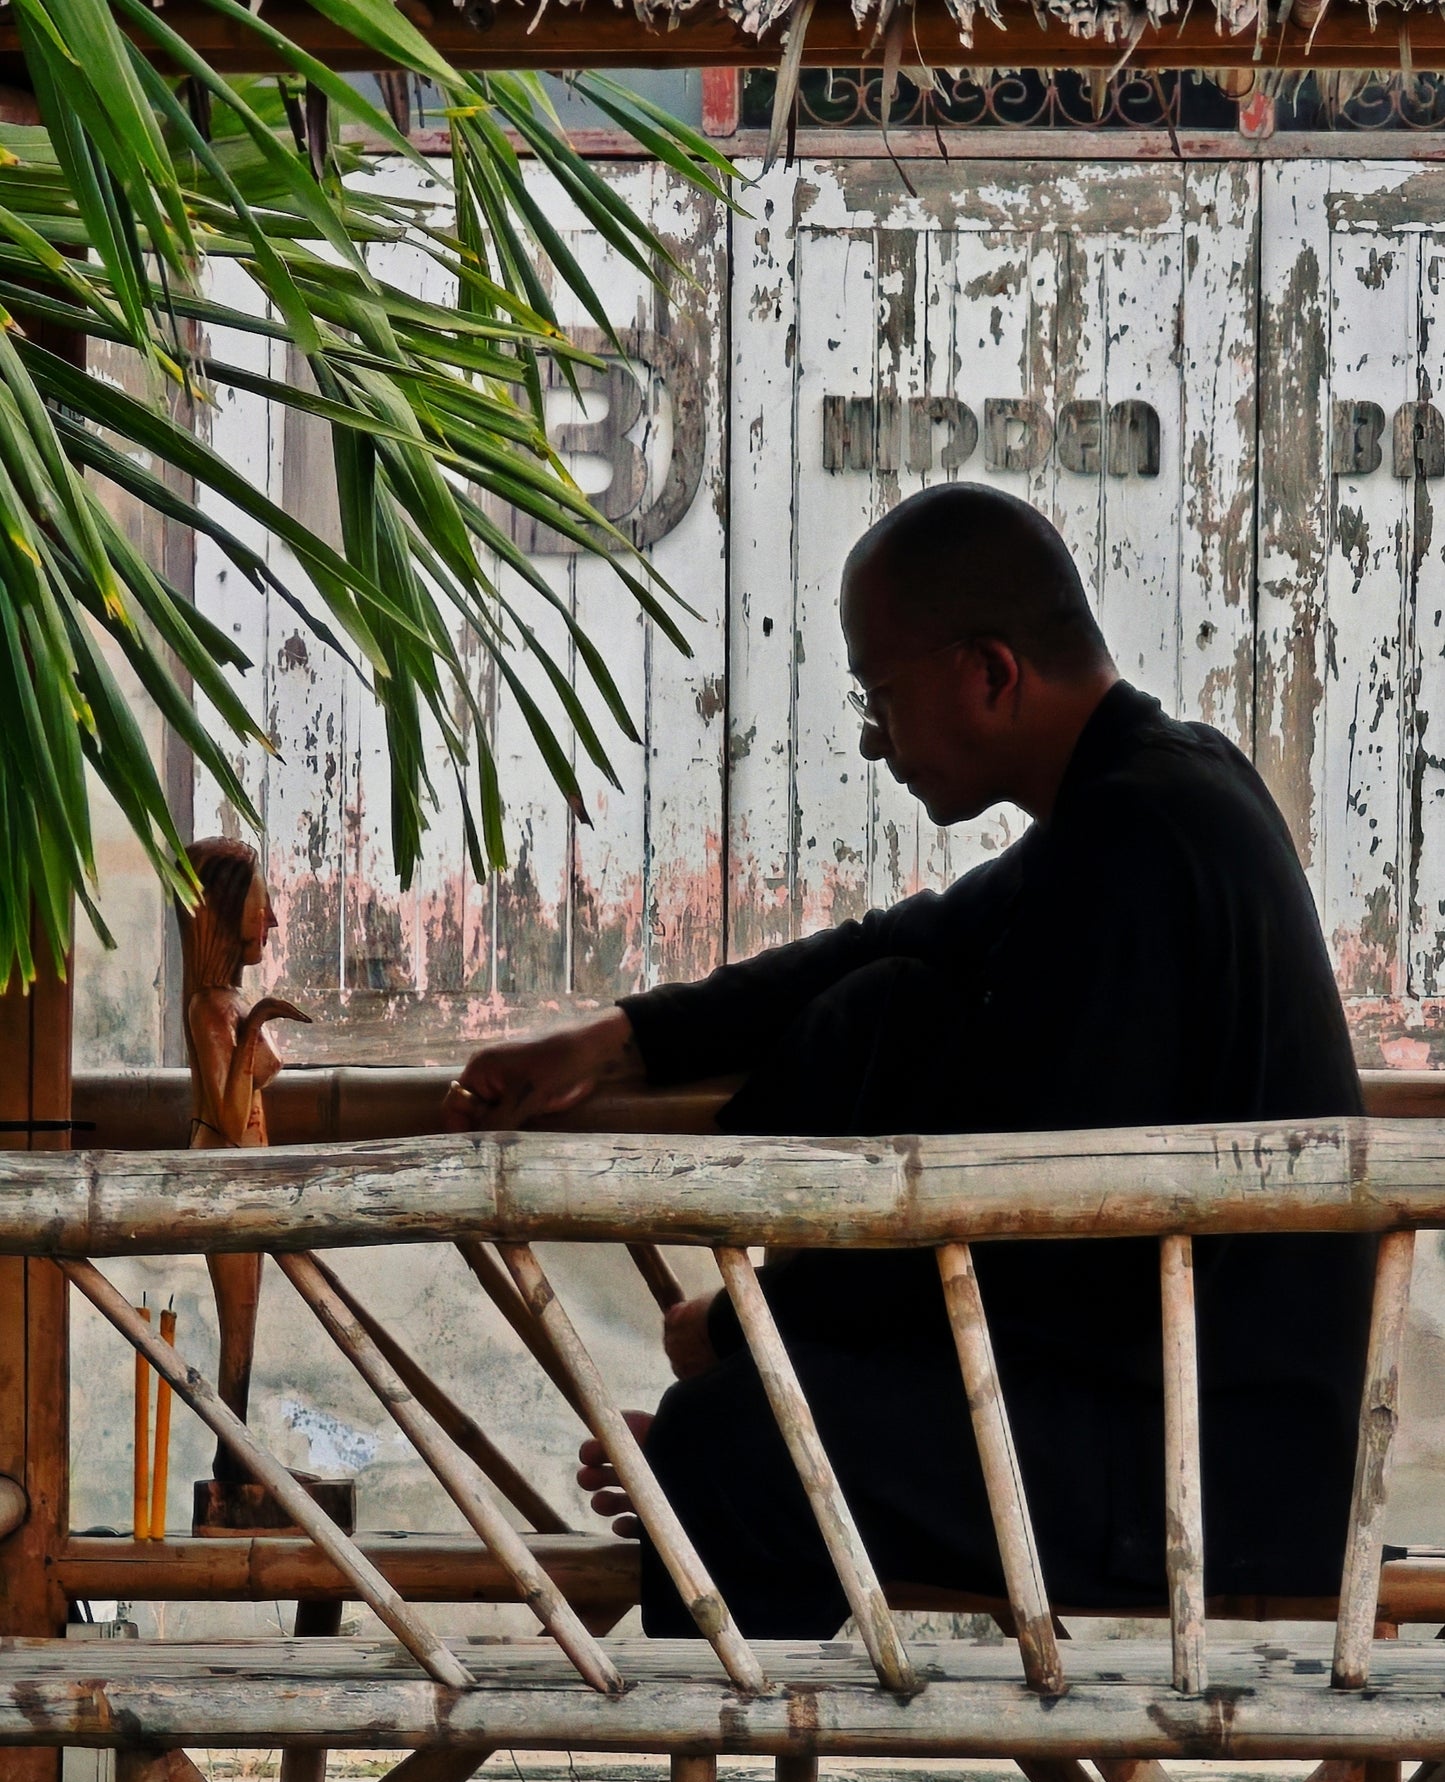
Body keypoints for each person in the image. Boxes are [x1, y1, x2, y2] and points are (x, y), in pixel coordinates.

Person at [445, 485, 1372, 1638]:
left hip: (1215, 1470)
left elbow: (1030, 1230)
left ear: (988, 671)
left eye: (879, 694)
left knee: (734, 1442)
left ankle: (720, 1643)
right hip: (1185, 1423)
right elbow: (898, 939)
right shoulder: (1151, 792)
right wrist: (619, 1036)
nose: (872, 738)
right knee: (878, 1015)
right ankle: (722, 1488)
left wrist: (741, 1332)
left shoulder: (1132, 842)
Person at [178, 837, 309, 1475]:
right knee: (238, 1327)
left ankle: (237, 1455)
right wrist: (257, 1021)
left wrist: (253, 1021)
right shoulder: (210, 1009)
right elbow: (230, 1120)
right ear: (226, 914)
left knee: (247, 1323)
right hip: (222, 1176)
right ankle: (231, 1460)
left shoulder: (225, 1003)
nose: (273, 921)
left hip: (243, 1176)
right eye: (261, 908)